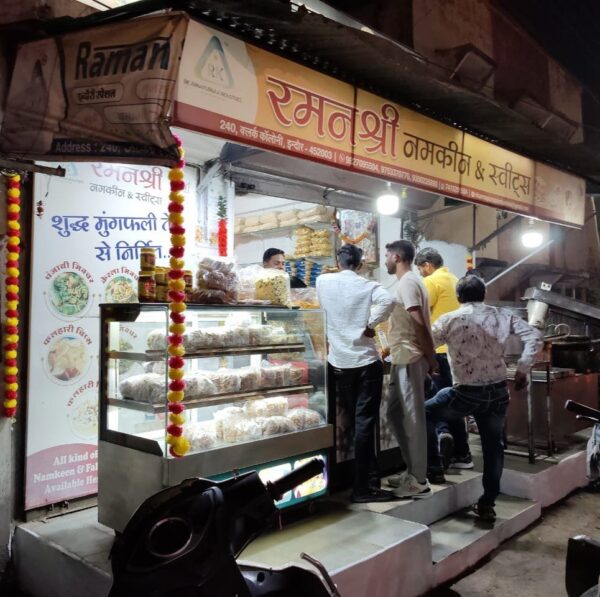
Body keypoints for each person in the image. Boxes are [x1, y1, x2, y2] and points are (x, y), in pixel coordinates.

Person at [425, 275, 543, 521]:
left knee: (426, 412)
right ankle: (487, 503)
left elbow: (425, 345)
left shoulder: (449, 319)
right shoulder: (502, 316)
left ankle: (434, 467)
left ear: (458, 296)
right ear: (484, 294)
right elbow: (534, 336)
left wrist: (430, 362)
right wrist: (523, 368)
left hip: (465, 393)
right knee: (493, 447)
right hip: (498, 392)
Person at [316, 244, 396, 503]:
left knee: (354, 423)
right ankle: (363, 487)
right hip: (365, 362)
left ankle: (364, 481)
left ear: (337, 262)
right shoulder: (368, 285)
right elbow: (389, 301)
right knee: (364, 424)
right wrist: (370, 325)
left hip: (338, 363)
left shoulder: (322, 281)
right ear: (360, 264)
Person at [384, 240, 438, 499]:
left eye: (387, 255)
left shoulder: (407, 283)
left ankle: (419, 480)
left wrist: (430, 356)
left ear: (396, 257)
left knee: (413, 419)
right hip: (401, 356)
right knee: (395, 414)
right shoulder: (409, 281)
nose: (385, 260)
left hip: (410, 357)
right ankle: (411, 471)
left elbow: (418, 323)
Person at [414, 247, 472, 474]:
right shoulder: (454, 280)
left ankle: (443, 437)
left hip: (438, 351)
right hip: (457, 352)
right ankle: (461, 452)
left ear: (427, 265)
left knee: (436, 402)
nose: (420, 273)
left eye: (420, 269)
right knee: (452, 401)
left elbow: (417, 314)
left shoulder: (431, 282)